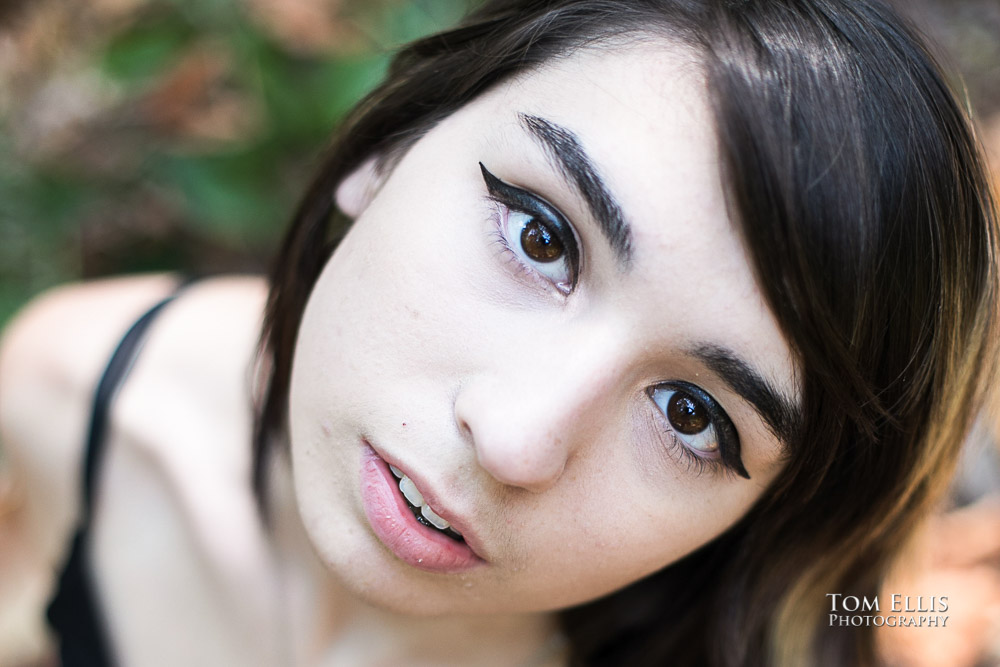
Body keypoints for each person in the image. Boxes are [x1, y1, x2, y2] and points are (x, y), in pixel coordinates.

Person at [0, 0, 996, 665]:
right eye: (539, 234)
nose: (517, 440)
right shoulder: (71, 392)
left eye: (693, 414)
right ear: (395, 142)